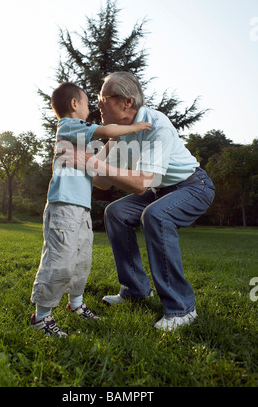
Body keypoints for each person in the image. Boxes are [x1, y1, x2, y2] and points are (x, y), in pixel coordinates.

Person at [64, 72, 215, 331]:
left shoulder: (158, 126)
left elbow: (141, 183)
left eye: (103, 98)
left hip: (194, 186)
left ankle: (182, 308)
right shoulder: (120, 134)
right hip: (161, 191)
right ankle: (135, 290)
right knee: (115, 213)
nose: (98, 104)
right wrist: (82, 158)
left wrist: (91, 162)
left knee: (157, 216)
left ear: (127, 102)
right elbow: (101, 181)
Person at [30, 81, 152, 338]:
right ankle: (41, 317)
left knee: (81, 260)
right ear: (74, 104)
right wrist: (136, 127)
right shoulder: (69, 125)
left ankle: (76, 304)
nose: (91, 108)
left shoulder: (79, 137)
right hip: (64, 207)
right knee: (60, 262)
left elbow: (98, 168)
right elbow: (107, 130)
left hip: (81, 210)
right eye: (87, 103)